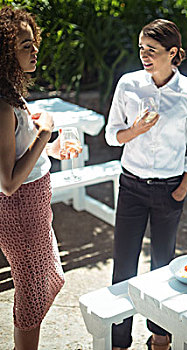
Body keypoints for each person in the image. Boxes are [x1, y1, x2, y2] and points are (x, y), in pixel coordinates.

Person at [105, 19, 187, 350]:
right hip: (131, 186)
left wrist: (182, 187)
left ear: (172, 53)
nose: (144, 55)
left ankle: (160, 336)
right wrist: (135, 131)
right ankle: (119, 339)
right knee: (124, 264)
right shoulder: (128, 85)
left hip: (169, 189)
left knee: (163, 267)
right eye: (141, 49)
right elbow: (111, 135)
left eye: (152, 50)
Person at [0, 6, 72, 350]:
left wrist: (50, 149)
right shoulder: (1, 106)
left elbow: (19, 152)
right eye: (25, 45)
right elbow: (7, 182)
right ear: (5, 52)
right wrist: (44, 134)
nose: (35, 50)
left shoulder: (12, 93)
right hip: (19, 214)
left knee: (51, 279)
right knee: (31, 298)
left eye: (34, 42)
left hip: (36, 209)